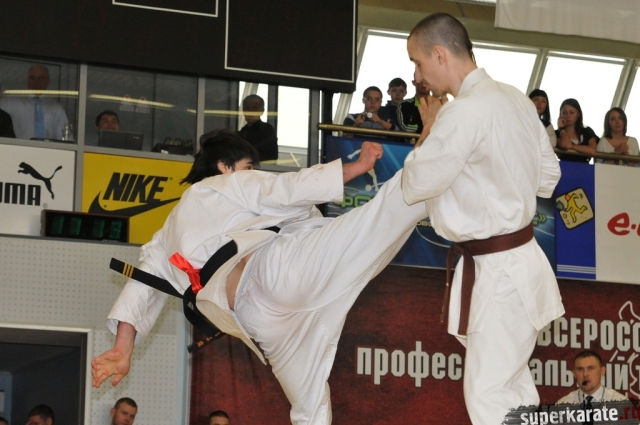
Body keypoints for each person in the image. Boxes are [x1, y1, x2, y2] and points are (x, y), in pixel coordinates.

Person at [91, 129, 427, 425]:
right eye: (249, 166)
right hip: (272, 273)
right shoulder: (224, 184)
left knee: (311, 410)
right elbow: (286, 188)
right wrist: (358, 166)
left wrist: (123, 349)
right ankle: (433, 159)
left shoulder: (164, 236)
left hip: (256, 319)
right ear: (224, 165)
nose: (253, 173)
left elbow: (144, 285)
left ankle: (432, 166)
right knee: (379, 219)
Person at [401, 13, 563, 425]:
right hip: (515, 263)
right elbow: (549, 177)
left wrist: (430, 128)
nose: (417, 75)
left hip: (499, 273)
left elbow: (415, 184)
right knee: (512, 392)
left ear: (440, 54)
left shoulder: (461, 114)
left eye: (418, 62)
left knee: (489, 395)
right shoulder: (516, 100)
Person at [0, 65, 70, 140]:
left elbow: (66, 140)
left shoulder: (56, 108)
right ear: (28, 79)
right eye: (32, 78)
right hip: (17, 147)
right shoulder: (11, 102)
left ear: (48, 81)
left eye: (41, 78)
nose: (36, 82)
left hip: (48, 147)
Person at [556, 351, 627, 404]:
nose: (585, 374)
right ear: (574, 374)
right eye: (580, 369)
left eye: (590, 368)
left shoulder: (620, 403)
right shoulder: (563, 405)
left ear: (602, 371)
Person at [556, 98, 597, 162]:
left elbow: (592, 151)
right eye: (564, 113)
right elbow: (566, 144)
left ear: (578, 114)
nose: (568, 116)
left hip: (584, 167)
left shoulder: (587, 131)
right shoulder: (557, 133)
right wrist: (561, 129)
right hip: (564, 166)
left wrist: (572, 146)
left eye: (572, 113)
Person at [238, 94, 278, 162]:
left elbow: (270, 156)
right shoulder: (242, 133)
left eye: (254, 108)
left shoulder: (267, 130)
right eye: (247, 108)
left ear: (262, 111)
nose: (250, 112)